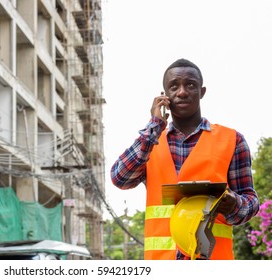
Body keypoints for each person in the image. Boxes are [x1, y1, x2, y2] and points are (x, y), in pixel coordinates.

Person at [110, 58, 259, 260]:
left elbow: (250, 202)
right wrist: (154, 126)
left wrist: (234, 204)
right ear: (164, 96)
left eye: (190, 85)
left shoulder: (232, 140)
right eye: (174, 86)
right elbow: (120, 178)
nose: (181, 92)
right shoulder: (150, 143)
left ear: (202, 92)